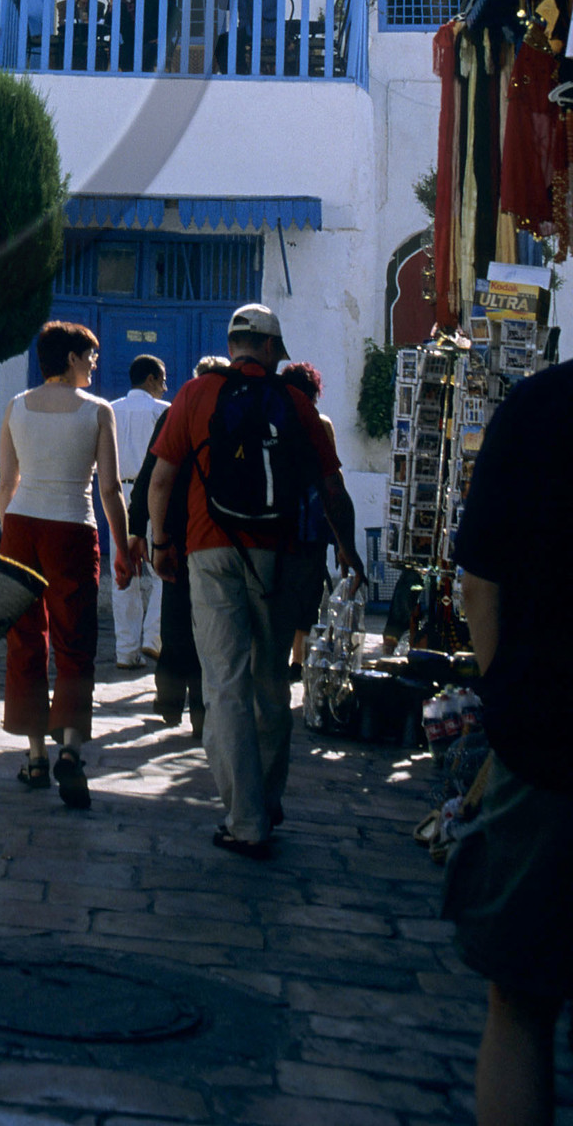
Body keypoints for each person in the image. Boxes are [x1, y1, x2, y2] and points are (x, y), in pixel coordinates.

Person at [148, 305, 362, 857]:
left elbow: (163, 477)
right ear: (268, 349)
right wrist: (347, 547)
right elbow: (331, 488)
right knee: (271, 683)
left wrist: (159, 542)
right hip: (279, 557)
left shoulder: (194, 395)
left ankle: (244, 818)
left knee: (224, 684)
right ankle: (267, 801)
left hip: (210, 548)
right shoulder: (295, 402)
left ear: (234, 343)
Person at [444, 355, 573, 1126]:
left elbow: (478, 578)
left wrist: (504, 698)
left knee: (523, 1002)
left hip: (553, 741)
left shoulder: (540, 405)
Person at [0, 320, 135, 808]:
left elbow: (7, 485)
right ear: (71, 359)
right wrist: (122, 546)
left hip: (20, 527)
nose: (95, 364)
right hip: (72, 528)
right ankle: (71, 751)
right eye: (90, 355)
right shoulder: (97, 412)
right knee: (75, 640)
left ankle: (35, 755)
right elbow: (109, 490)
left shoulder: (16, 406)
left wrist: (6, 537)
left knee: (26, 638)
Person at [127, 358, 232, 743]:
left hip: (176, 533)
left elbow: (150, 477)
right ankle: (201, 712)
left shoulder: (177, 414)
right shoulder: (230, 417)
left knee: (175, 620)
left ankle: (171, 703)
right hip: (216, 535)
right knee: (209, 626)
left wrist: (140, 530)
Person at [278, 360, 337, 677]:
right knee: (309, 593)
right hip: (313, 522)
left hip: (279, 522)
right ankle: (298, 660)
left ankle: (281, 654)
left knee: (282, 590)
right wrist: (342, 538)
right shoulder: (322, 423)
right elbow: (333, 480)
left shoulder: (275, 422)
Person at [107, 354, 166, 667]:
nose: (165, 387)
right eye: (162, 380)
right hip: (152, 495)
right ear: (151, 379)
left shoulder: (110, 410)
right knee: (161, 568)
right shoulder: (162, 412)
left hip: (117, 493)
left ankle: (125, 652)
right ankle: (153, 637)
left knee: (124, 572)